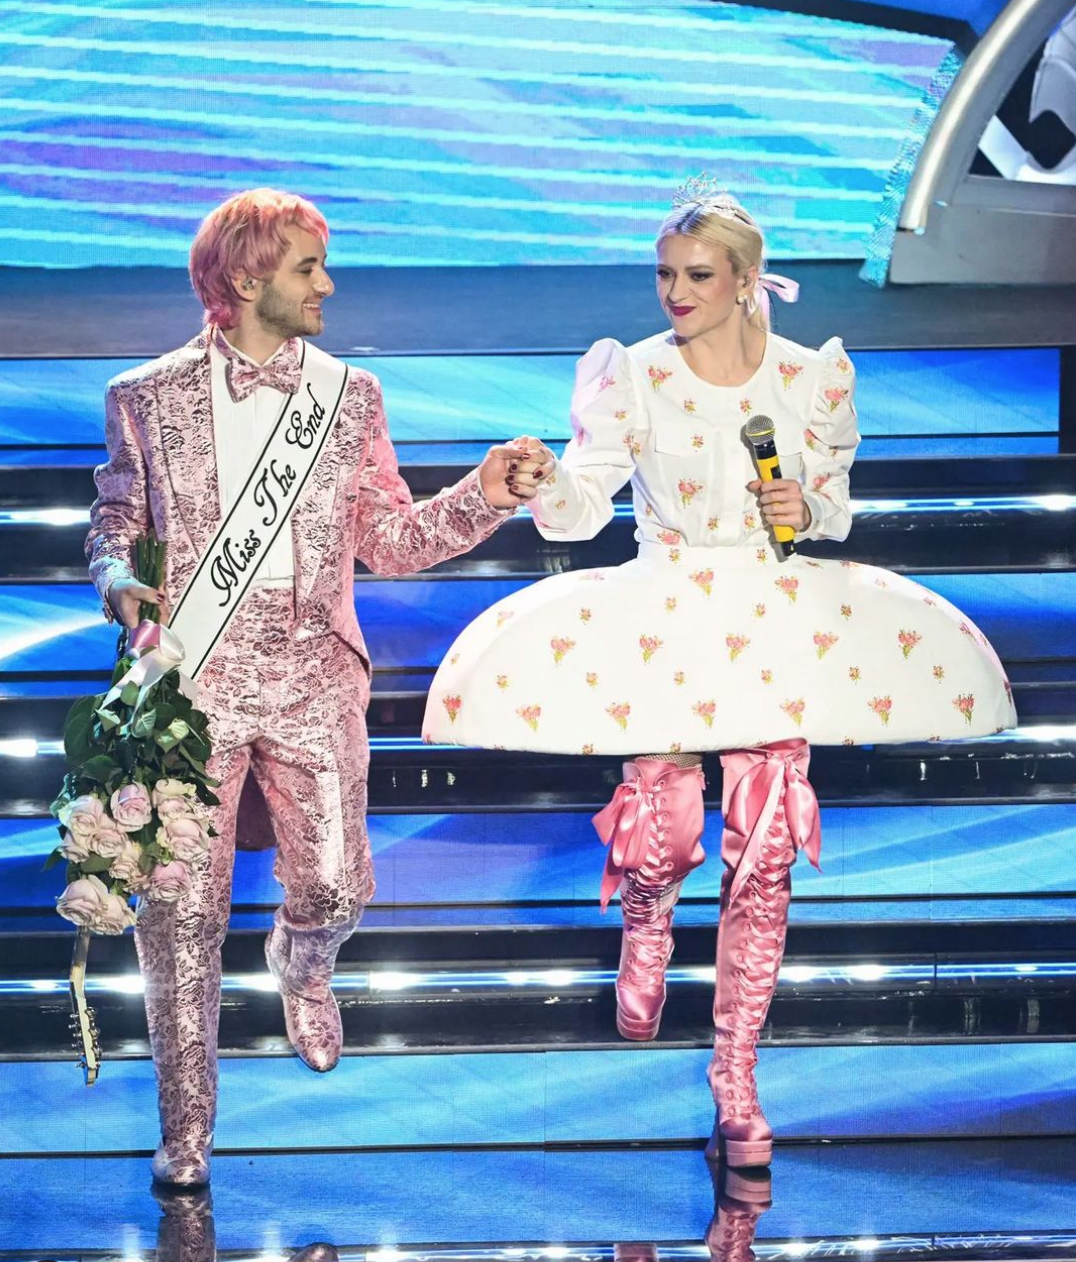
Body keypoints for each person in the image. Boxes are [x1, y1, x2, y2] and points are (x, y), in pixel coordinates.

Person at [422, 180, 1016, 1168]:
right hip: (666, 607)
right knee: (662, 833)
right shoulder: (634, 373)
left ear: (746, 280)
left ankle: (735, 1075)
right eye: (664, 274)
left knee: (768, 846)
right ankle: (646, 914)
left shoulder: (808, 377)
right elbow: (585, 505)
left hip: (772, 612)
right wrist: (548, 482)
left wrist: (804, 507)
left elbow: (829, 507)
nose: (675, 292)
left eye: (696, 275)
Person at [87, 188, 523, 1187]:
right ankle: (185, 1129)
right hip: (190, 682)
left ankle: (302, 960)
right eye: (307, 268)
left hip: (312, 674)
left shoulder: (349, 396)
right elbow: (114, 521)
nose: (327, 284)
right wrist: (118, 580)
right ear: (248, 281)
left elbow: (390, 540)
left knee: (333, 885)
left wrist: (482, 497)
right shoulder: (143, 397)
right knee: (179, 918)